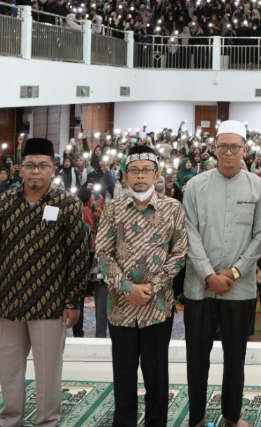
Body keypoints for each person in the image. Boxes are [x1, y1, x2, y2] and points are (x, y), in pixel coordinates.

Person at [0, 137, 91, 427]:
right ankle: (10, 419)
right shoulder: (5, 202)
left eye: (42, 165)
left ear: (53, 169)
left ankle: (47, 421)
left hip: (49, 302)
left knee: (48, 370)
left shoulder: (67, 204)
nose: (36, 171)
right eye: (30, 165)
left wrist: (73, 301)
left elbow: (78, 256)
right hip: (7, 300)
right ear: (20, 169)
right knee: (9, 368)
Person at [182, 120, 261, 427]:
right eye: (223, 146)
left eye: (235, 147)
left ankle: (232, 415)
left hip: (239, 287)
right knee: (197, 356)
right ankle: (196, 417)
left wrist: (233, 272)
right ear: (214, 149)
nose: (228, 152)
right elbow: (189, 232)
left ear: (245, 150)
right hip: (199, 287)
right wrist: (209, 275)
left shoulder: (258, 187)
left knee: (235, 356)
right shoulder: (196, 185)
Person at [95, 144, 188, 427]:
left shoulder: (172, 208)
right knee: (123, 373)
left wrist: (151, 287)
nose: (140, 176)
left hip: (157, 306)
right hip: (121, 307)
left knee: (156, 373)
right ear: (124, 176)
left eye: (146, 170)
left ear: (157, 175)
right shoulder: (113, 209)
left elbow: (179, 253)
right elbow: (102, 254)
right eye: (134, 170)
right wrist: (127, 288)